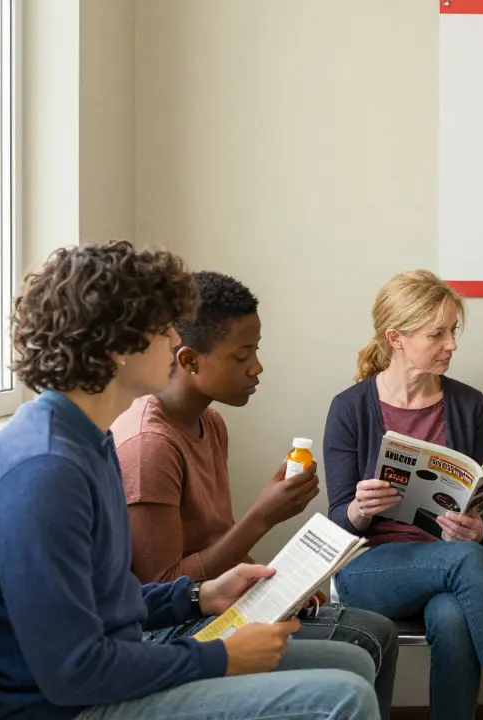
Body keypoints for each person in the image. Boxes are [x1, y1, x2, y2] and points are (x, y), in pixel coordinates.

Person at [0, 241, 379, 720]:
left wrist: (200, 595)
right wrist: (221, 658)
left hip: (104, 675)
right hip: (65, 707)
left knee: (350, 662)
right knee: (345, 698)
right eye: (163, 328)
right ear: (116, 347)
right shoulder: (45, 471)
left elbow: (103, 599)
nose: (174, 341)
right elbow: (72, 670)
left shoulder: (88, 440)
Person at [109, 270, 398, 714]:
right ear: (189, 361)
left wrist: (280, 586)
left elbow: (211, 542)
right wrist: (262, 517)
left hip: (210, 602)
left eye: (256, 351)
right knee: (362, 640)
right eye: (243, 354)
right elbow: (161, 587)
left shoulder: (210, 423)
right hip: (170, 628)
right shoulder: (149, 445)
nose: (257, 367)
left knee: (379, 631)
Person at [322, 269, 483, 720]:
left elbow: (481, 511)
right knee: (468, 561)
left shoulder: (469, 405)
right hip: (370, 571)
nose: (452, 344)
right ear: (397, 338)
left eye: (453, 330)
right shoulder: (350, 408)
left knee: (453, 616)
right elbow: (337, 522)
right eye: (437, 334)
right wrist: (360, 509)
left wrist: (477, 525)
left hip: (449, 564)